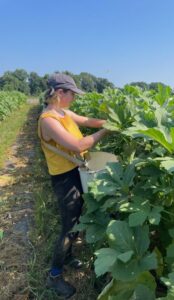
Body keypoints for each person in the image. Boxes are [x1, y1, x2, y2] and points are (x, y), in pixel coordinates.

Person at [38, 73, 111, 298]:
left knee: (77, 218)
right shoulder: (48, 120)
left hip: (76, 172)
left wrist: (110, 122)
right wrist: (107, 131)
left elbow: (87, 121)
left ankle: (68, 257)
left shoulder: (63, 112)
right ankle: (55, 275)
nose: (75, 99)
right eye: (72, 94)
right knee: (69, 227)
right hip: (64, 178)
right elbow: (78, 145)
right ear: (59, 93)